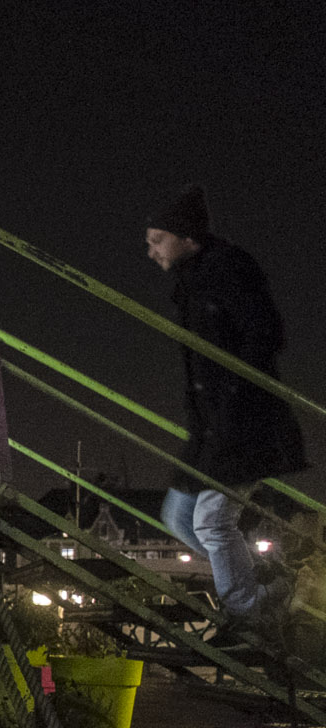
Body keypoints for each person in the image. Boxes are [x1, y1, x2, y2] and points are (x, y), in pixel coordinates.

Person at [147, 186, 307, 637]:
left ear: (187, 237)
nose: (151, 250)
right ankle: (268, 585)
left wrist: (235, 398)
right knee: (178, 518)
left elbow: (265, 334)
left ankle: (247, 612)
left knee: (212, 521)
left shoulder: (230, 268)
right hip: (208, 428)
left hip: (244, 422)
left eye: (158, 239)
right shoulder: (190, 278)